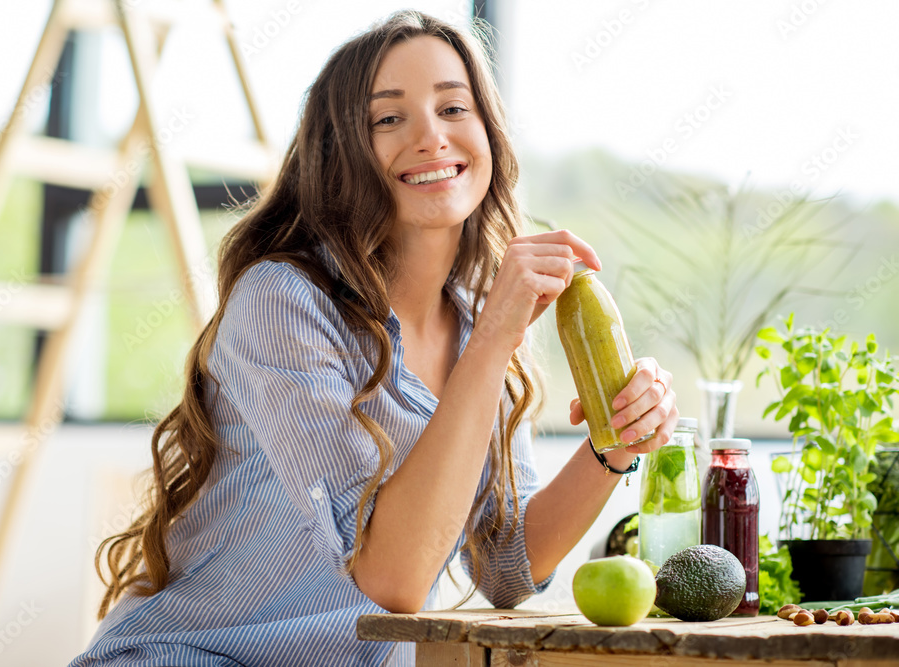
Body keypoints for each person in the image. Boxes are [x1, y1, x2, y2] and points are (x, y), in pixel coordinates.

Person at [70, 10, 678, 667]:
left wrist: (613, 445)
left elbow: (506, 563)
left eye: (453, 107)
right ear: (340, 154)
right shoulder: (284, 301)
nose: (430, 136)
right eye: (389, 119)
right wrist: (494, 339)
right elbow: (389, 579)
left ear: (490, 135)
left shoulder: (478, 319)